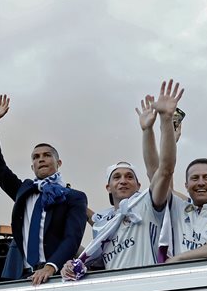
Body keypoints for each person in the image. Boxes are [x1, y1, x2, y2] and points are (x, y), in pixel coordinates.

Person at [63, 80, 181, 278]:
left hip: (150, 285)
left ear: (139, 185)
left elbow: (164, 171)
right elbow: (95, 259)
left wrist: (155, 127)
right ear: (108, 187)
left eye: (129, 176)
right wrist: (71, 264)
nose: (123, 180)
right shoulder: (102, 223)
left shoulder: (148, 205)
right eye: (116, 177)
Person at [0, 95, 88, 285]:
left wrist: (51, 266)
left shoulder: (74, 197)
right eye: (36, 157)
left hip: (55, 275)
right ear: (32, 166)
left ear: (58, 162)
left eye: (47, 155)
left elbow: (72, 238)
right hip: (19, 276)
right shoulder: (23, 191)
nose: (41, 159)